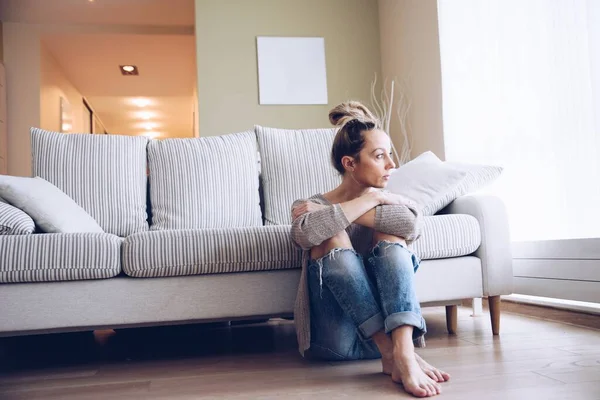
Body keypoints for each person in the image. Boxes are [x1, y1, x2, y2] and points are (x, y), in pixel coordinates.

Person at [290, 101, 450, 397]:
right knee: (331, 233)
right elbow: (307, 233)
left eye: (390, 154)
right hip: (335, 341)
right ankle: (395, 354)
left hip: (396, 337)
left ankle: (401, 353)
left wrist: (362, 203)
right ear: (350, 163)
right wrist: (368, 200)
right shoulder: (308, 204)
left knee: (391, 232)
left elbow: (411, 225)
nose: (392, 165)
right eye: (380, 156)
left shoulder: (389, 200)